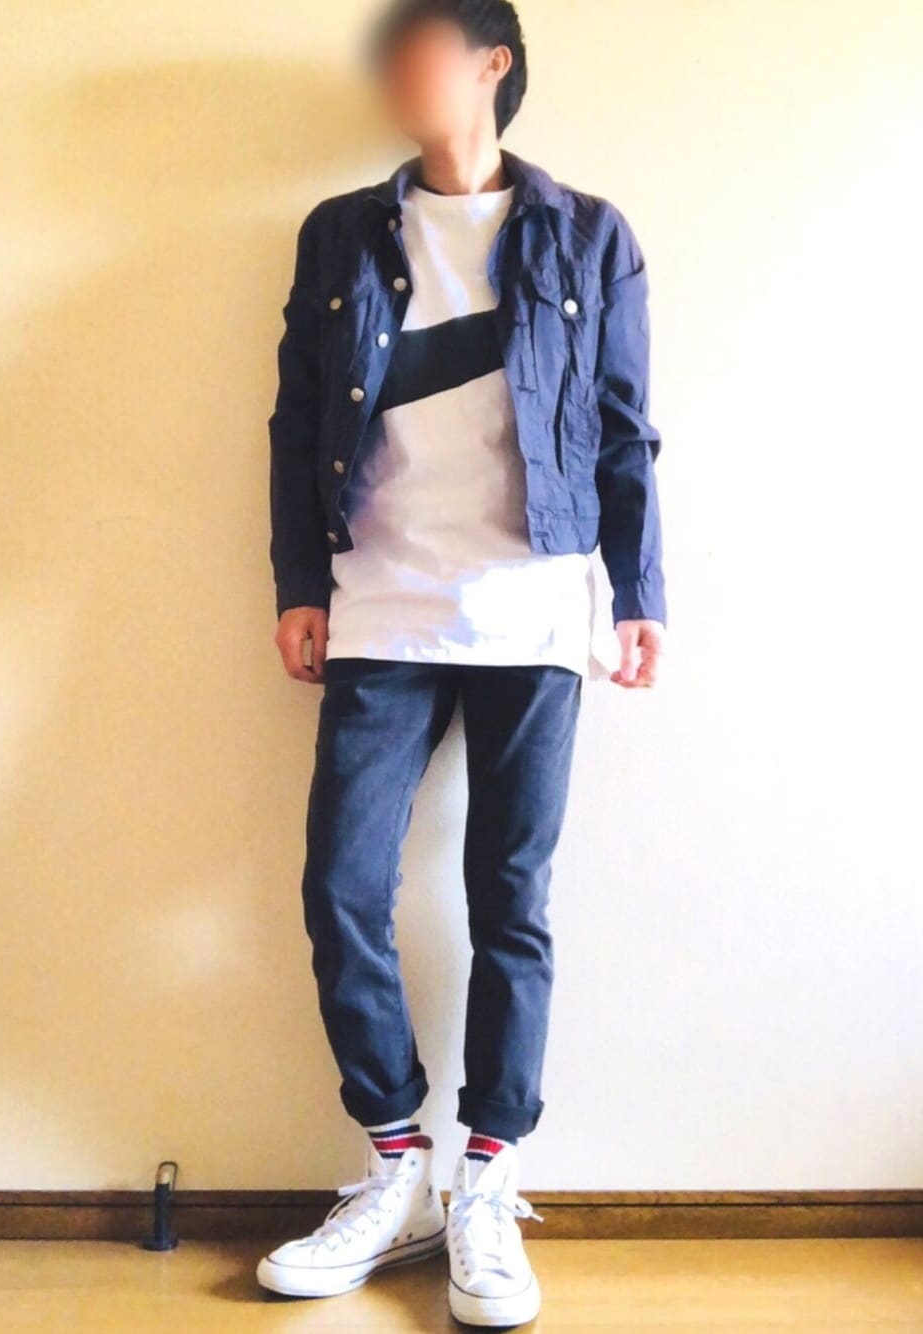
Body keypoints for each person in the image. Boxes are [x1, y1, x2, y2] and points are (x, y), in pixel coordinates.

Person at [257, 0, 666, 1324]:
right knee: (341, 886)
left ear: (494, 63)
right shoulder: (340, 232)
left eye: (424, 45)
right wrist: (298, 583)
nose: (397, 70)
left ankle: (487, 1175)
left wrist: (640, 591)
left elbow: (624, 426)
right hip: (381, 605)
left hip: (536, 609)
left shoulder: (589, 233)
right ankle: (396, 1167)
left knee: (510, 899)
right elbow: (297, 420)